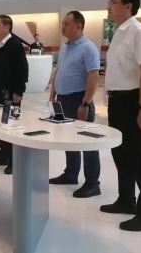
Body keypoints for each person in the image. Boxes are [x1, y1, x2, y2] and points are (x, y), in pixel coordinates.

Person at [101, 0, 141, 231]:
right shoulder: (119, 32)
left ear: (128, 6)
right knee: (120, 153)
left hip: (133, 101)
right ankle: (126, 200)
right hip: (117, 101)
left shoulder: (139, 31)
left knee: (139, 157)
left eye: (113, 2)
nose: (108, 6)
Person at [48, 11, 101, 198]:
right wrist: (52, 94)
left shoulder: (88, 48)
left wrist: (86, 103)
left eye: (67, 24)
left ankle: (92, 183)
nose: (62, 26)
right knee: (68, 139)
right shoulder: (65, 47)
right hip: (63, 100)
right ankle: (71, 173)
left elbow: (94, 77)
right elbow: (59, 71)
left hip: (79, 100)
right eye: (62, 23)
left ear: (79, 26)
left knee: (87, 143)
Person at [0, 15, 28, 175]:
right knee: (0, 125)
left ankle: (13, 159)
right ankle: (3, 154)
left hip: (11, 94)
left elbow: (22, 70)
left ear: (7, 27)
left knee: (11, 126)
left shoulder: (15, 45)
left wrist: (19, 91)